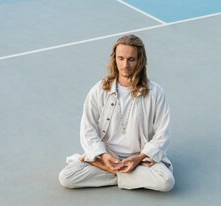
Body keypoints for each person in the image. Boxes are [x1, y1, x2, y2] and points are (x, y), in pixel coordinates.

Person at [58, 34, 175, 192]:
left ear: (140, 60)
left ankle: (105, 168)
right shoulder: (99, 90)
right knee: (66, 177)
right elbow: (88, 129)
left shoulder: (156, 93)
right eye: (120, 58)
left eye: (131, 59)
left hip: (139, 155)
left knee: (166, 182)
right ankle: (129, 175)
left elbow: (163, 135)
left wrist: (139, 159)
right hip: (108, 154)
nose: (125, 65)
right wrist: (104, 157)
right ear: (114, 59)